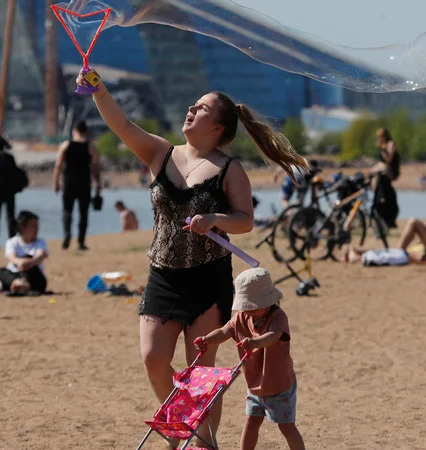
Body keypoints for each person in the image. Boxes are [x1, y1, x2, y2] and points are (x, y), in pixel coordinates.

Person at [78, 67, 308, 448]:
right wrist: (98, 88)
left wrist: (216, 219)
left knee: (201, 371)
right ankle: (184, 424)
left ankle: (203, 441)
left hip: (208, 278)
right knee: (153, 357)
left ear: (217, 128)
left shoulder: (229, 169)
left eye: (200, 108)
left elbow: (245, 220)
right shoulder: (160, 152)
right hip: (163, 275)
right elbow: (122, 125)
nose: (190, 109)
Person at [195, 268, 305, 450]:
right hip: (255, 384)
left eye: (255, 306)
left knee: (286, 426)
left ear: (269, 301)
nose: (250, 311)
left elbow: (273, 336)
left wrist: (255, 342)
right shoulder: (241, 318)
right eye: (248, 307)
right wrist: (207, 339)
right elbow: (224, 331)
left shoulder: (278, 317)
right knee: (252, 421)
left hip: (279, 385)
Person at [53, 120, 102, 251]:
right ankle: (81, 241)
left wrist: (56, 182)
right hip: (84, 182)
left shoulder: (66, 145)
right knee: (83, 213)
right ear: (86, 131)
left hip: (69, 181)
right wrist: (98, 183)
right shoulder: (90, 146)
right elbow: (95, 166)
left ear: (74, 130)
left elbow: (58, 165)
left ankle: (67, 234)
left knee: (67, 210)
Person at [0, 210, 49, 294]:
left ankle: (23, 285)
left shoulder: (40, 242)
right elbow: (11, 257)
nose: (37, 229)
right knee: (1, 271)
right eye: (33, 226)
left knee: (28, 258)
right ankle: (19, 284)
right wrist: (20, 262)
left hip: (34, 278)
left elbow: (41, 255)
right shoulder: (12, 242)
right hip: (15, 275)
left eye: (37, 226)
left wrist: (30, 262)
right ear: (22, 227)